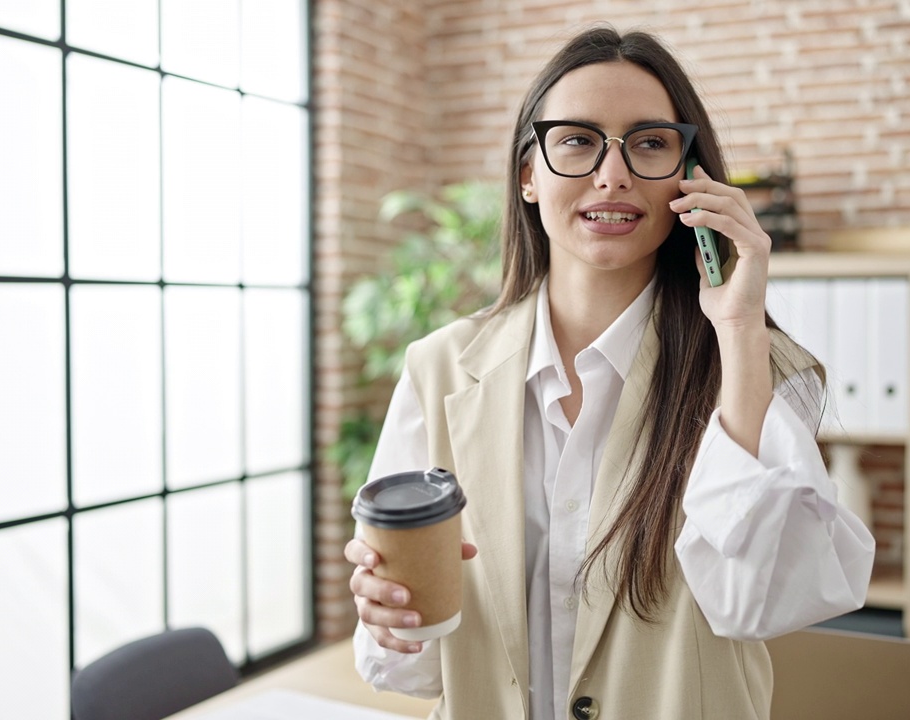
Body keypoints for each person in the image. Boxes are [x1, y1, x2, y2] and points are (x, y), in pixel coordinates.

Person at [345, 24, 875, 720]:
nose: (613, 173)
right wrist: (392, 618)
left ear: (689, 176)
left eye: (650, 143)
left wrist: (741, 328)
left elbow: (762, 602)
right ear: (528, 176)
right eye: (577, 140)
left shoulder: (758, 365)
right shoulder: (439, 368)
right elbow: (410, 670)